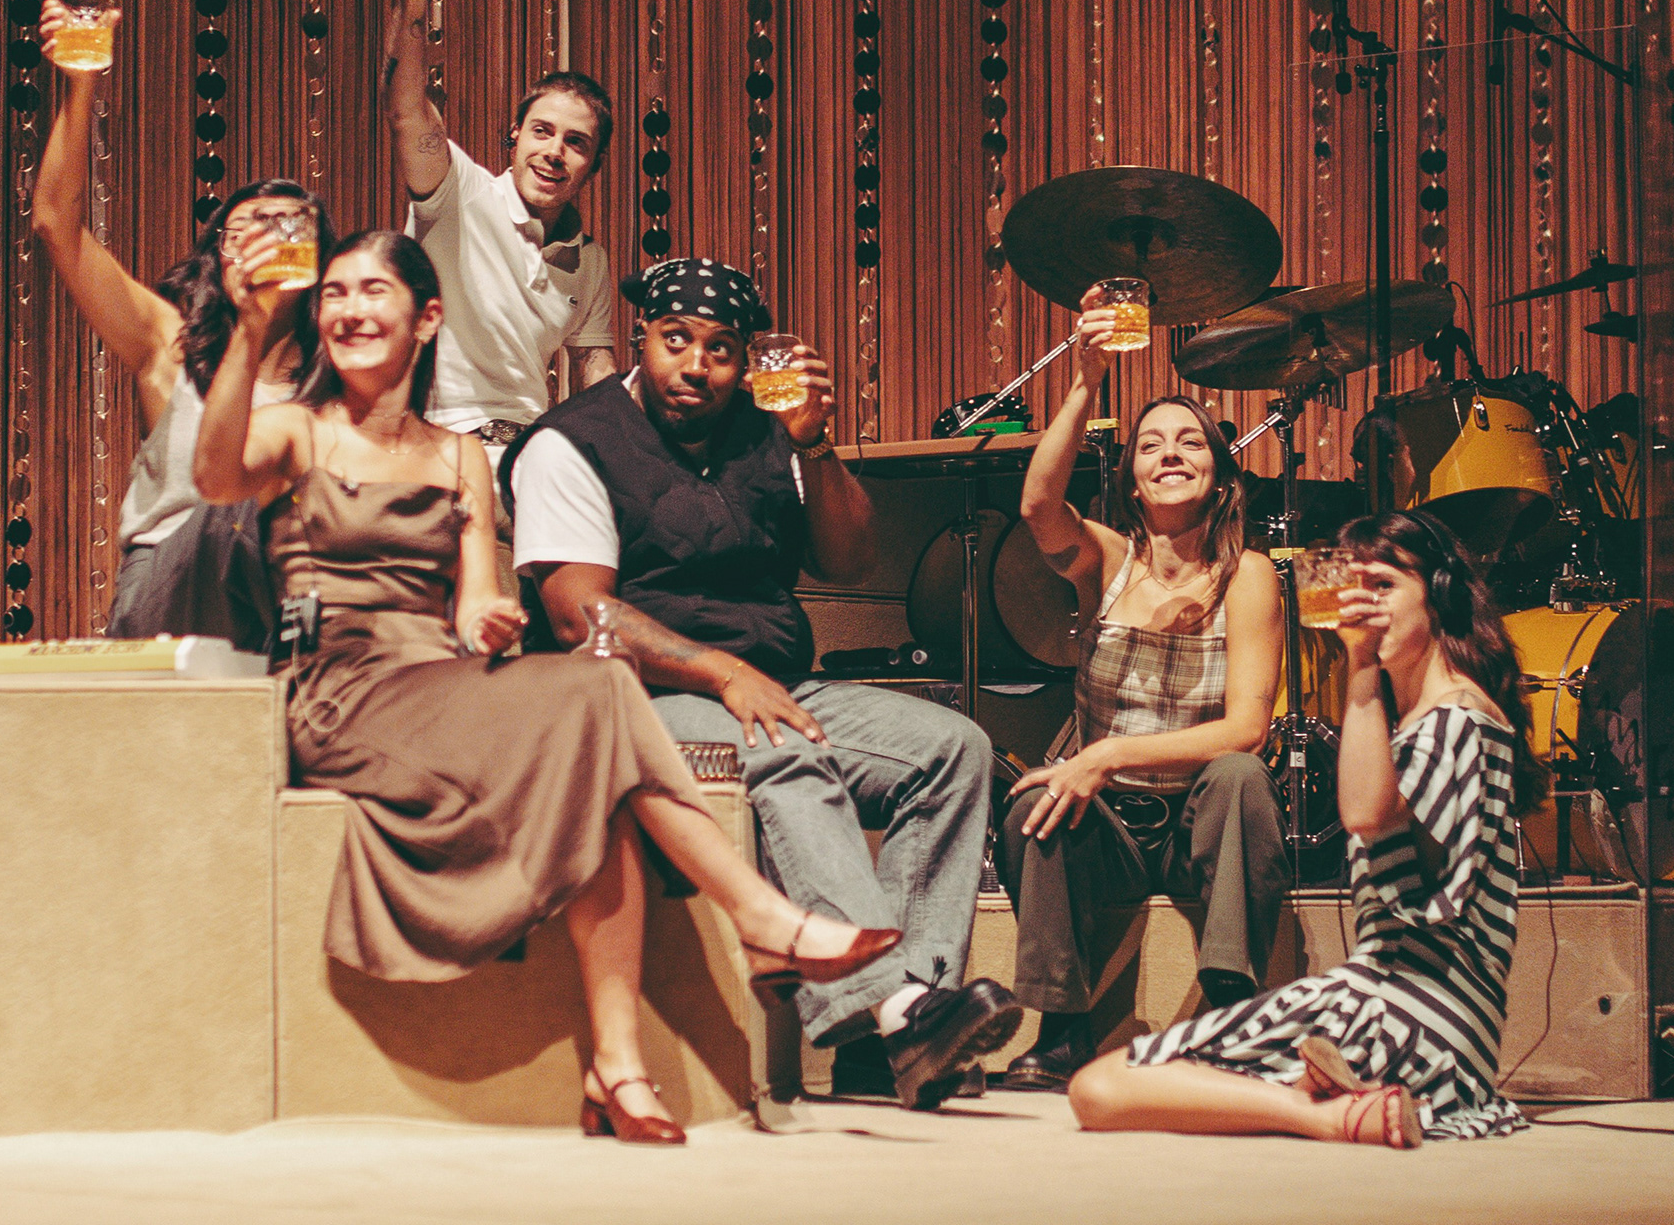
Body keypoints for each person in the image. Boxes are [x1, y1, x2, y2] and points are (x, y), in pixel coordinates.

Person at [190, 221, 897, 1144]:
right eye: (335, 294)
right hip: (338, 693)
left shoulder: (459, 457)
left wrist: (489, 618)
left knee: (600, 720)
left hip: (439, 684)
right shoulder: (293, 428)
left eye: (373, 292)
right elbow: (214, 475)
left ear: (426, 318)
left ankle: (620, 1067)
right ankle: (759, 916)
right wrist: (251, 329)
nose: (350, 310)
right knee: (600, 697)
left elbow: (476, 600)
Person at [506, 256, 1020, 1110]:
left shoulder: (765, 432)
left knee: (954, 749)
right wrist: (723, 671)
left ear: (746, 359)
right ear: (642, 337)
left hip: (773, 682)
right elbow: (577, 614)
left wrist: (814, 443)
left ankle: (911, 1028)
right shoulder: (574, 442)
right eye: (676, 341)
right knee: (781, 748)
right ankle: (892, 1010)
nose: (696, 366)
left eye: (719, 349)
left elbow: (850, 562)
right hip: (635, 697)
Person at [1066, 510, 1540, 1149]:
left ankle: (1328, 1115)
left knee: (1101, 1087)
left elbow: (1365, 812)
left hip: (1402, 1011)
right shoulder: (1449, 717)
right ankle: (1328, 1098)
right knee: (1134, 1086)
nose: (1362, 605)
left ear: (1439, 595)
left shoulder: (1454, 720)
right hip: (1455, 1039)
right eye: (1353, 588)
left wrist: (1361, 666)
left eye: (1384, 585)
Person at [992, 322, 1292, 1088]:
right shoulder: (1108, 560)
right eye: (1151, 445)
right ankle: (1063, 1030)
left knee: (1242, 777)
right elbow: (1037, 504)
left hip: (1199, 822)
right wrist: (1085, 381)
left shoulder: (1249, 574)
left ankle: (1230, 1014)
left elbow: (1247, 730)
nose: (1170, 453)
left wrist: (1106, 752)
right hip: (1113, 831)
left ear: (1221, 478)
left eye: (1190, 443)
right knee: (1033, 806)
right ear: (1131, 482)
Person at [25, 0, 320, 645]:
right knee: (234, 509)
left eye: (288, 230)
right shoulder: (173, 341)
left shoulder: (330, 379)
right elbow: (55, 225)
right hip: (177, 584)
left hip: (291, 593)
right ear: (220, 256)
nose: (267, 244)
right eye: (247, 231)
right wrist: (81, 86)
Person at [383, 0, 623, 446]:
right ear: (515, 137)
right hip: (438, 438)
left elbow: (594, 367)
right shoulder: (460, 194)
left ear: (594, 165)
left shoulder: (590, 261)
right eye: (542, 132)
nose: (554, 151)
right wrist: (412, 4)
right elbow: (407, 112)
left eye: (575, 142)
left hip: (531, 449)